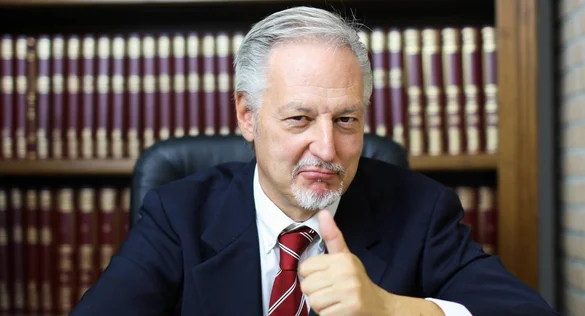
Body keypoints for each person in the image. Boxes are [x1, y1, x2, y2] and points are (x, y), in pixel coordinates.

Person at [71, 6, 559, 316]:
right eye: (300, 119)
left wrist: (391, 311)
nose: (328, 149)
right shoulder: (178, 213)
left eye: (346, 120)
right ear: (247, 116)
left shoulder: (421, 210)